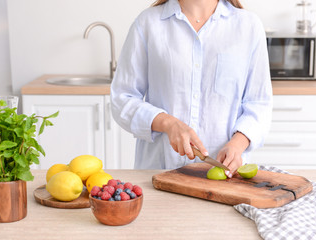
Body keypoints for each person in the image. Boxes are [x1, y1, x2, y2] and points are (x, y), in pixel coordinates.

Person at [110, 0, 272, 178]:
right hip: (159, 173)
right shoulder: (148, 23)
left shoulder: (248, 26)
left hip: (226, 178)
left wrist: (237, 144)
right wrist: (168, 123)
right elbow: (122, 98)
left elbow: (259, 103)